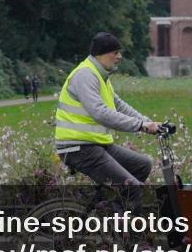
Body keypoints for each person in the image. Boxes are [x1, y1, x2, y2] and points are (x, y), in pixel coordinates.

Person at [54, 32, 162, 213]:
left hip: (95, 145)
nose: (119, 57)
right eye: (115, 52)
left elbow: (118, 105)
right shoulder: (85, 75)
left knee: (142, 165)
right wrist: (140, 126)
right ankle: (127, 235)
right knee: (132, 187)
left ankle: (109, 215)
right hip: (78, 148)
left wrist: (148, 123)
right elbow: (100, 113)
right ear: (101, 54)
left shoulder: (100, 76)